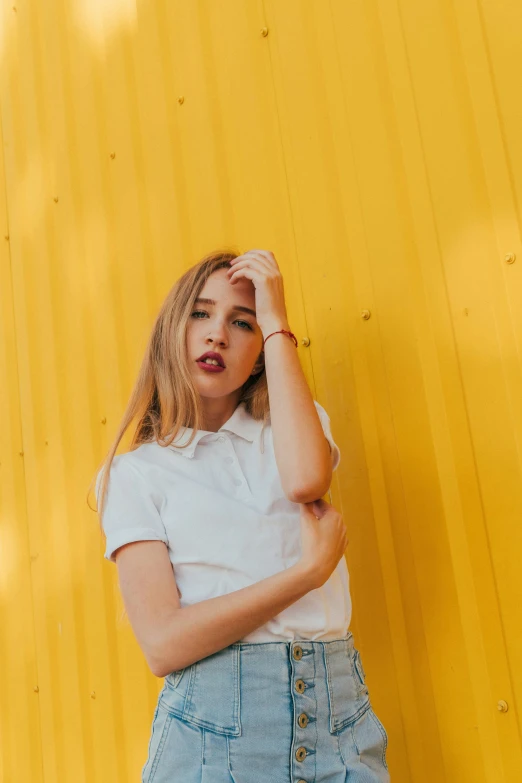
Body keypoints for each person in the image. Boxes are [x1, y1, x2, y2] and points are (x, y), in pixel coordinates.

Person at [92, 248, 390, 782]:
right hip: (214, 736)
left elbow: (306, 481)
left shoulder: (292, 427)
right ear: (172, 332)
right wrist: (306, 574)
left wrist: (277, 322)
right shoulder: (137, 474)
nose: (217, 336)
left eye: (242, 322)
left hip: (338, 717)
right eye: (200, 314)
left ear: (260, 352)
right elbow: (162, 644)